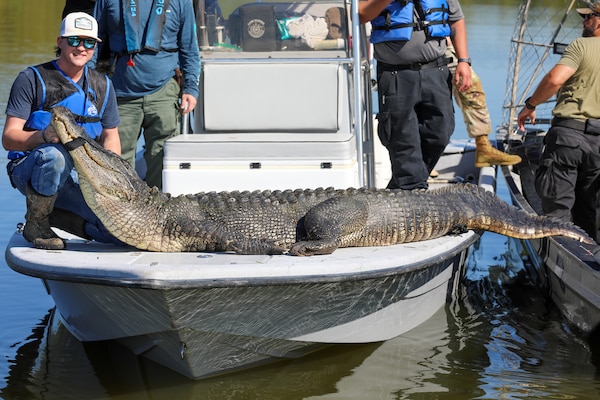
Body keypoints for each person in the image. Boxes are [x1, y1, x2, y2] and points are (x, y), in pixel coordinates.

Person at [2, 12, 122, 250]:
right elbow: (8, 138)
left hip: (83, 175)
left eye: (88, 42)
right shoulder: (31, 79)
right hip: (33, 167)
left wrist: (112, 181)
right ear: (60, 41)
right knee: (54, 156)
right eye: (74, 40)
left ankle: (59, 216)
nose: (82, 48)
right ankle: (37, 223)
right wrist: (43, 136)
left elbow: (111, 137)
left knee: (115, 231)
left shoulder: (103, 86)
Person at [359, 0, 472, 190]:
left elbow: (456, 20)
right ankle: (411, 190)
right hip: (395, 75)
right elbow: (361, 14)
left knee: (440, 133)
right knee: (402, 139)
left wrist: (464, 61)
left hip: (436, 70)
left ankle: (400, 188)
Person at [92, 0, 201, 190]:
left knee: (161, 157)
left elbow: (190, 49)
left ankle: (156, 210)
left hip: (164, 91)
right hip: (120, 93)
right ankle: (121, 213)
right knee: (117, 160)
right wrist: (85, 86)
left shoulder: (181, 2)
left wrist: (190, 88)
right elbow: (92, 44)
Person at [517, 1, 600, 242]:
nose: (583, 22)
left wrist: (530, 105)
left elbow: (555, 79)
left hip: (569, 137)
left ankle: (559, 261)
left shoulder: (581, 45)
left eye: (589, 17)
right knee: (592, 214)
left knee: (557, 215)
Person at [446, 40, 521, 168]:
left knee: (471, 85)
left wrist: (461, 58)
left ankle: (483, 147)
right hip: (420, 43)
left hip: (441, 40)